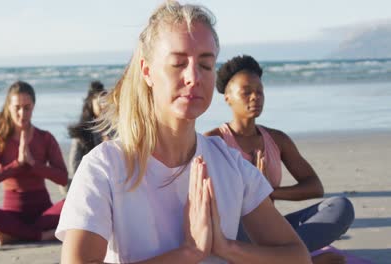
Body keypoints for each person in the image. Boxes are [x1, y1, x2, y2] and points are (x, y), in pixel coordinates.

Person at [56, 2, 310, 263]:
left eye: (206, 65)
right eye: (178, 63)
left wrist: (226, 247)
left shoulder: (230, 165)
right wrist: (189, 253)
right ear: (147, 71)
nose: (194, 77)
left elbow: (298, 256)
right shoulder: (104, 167)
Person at [205, 55, 354, 264]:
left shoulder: (277, 139)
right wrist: (249, 187)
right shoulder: (213, 141)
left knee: (341, 207)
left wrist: (269, 190)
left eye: (259, 92)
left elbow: (314, 187)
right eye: (246, 92)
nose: (255, 97)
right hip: (233, 233)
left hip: (270, 229)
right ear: (227, 97)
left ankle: (274, 258)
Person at [0, 81, 68, 245]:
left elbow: (63, 178)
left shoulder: (45, 138)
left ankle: (17, 235)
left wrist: (33, 164)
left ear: (33, 107)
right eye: (17, 107)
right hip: (12, 215)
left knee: (73, 202)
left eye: (27, 107)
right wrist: (17, 164)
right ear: (9, 107)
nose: (22, 113)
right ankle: (42, 235)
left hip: (44, 214)